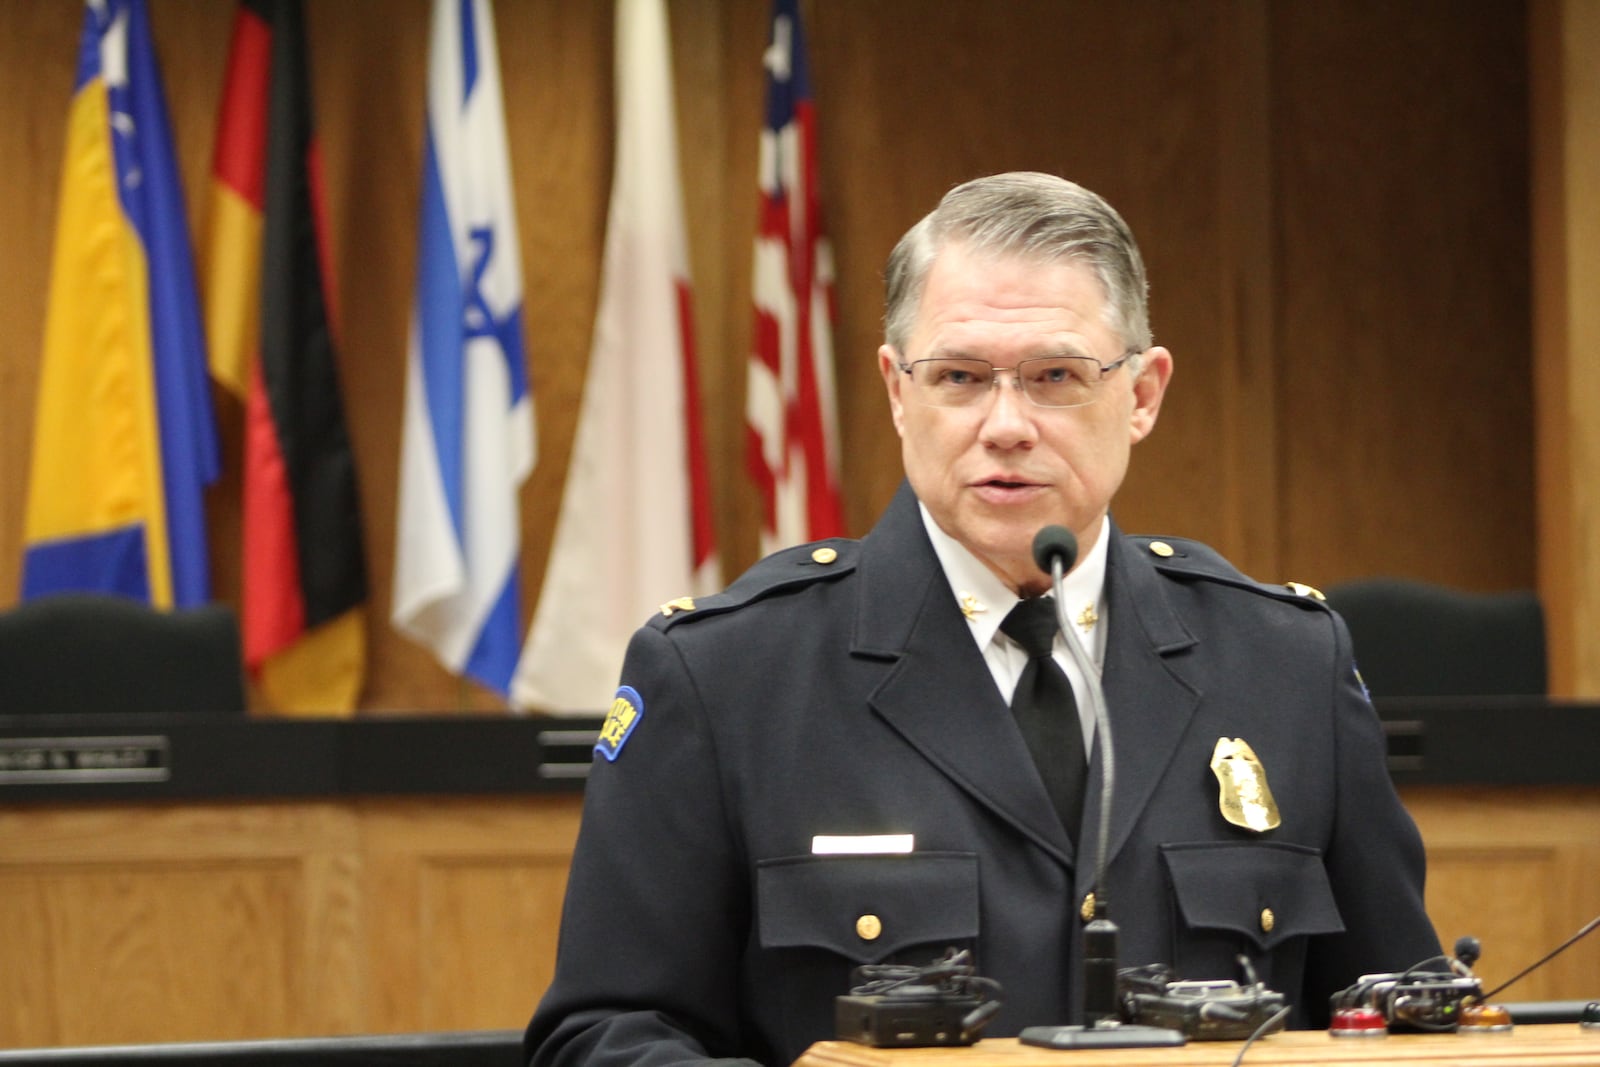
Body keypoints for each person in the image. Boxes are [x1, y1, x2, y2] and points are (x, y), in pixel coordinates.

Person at [524, 172, 1440, 1067]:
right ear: (896, 389)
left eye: (1055, 376)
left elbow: (1397, 1010)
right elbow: (606, 1032)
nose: (1006, 424)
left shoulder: (1285, 663)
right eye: (960, 375)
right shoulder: (727, 675)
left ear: (1144, 394)